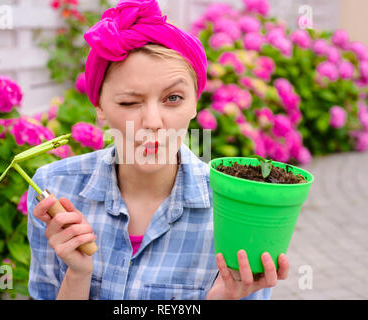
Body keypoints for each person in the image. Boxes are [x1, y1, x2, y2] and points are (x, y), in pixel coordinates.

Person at [27, 0, 289, 300]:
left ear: (194, 103)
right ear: (99, 107)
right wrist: (78, 274)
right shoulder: (54, 190)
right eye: (128, 102)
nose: (152, 122)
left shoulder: (234, 210)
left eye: (173, 98)